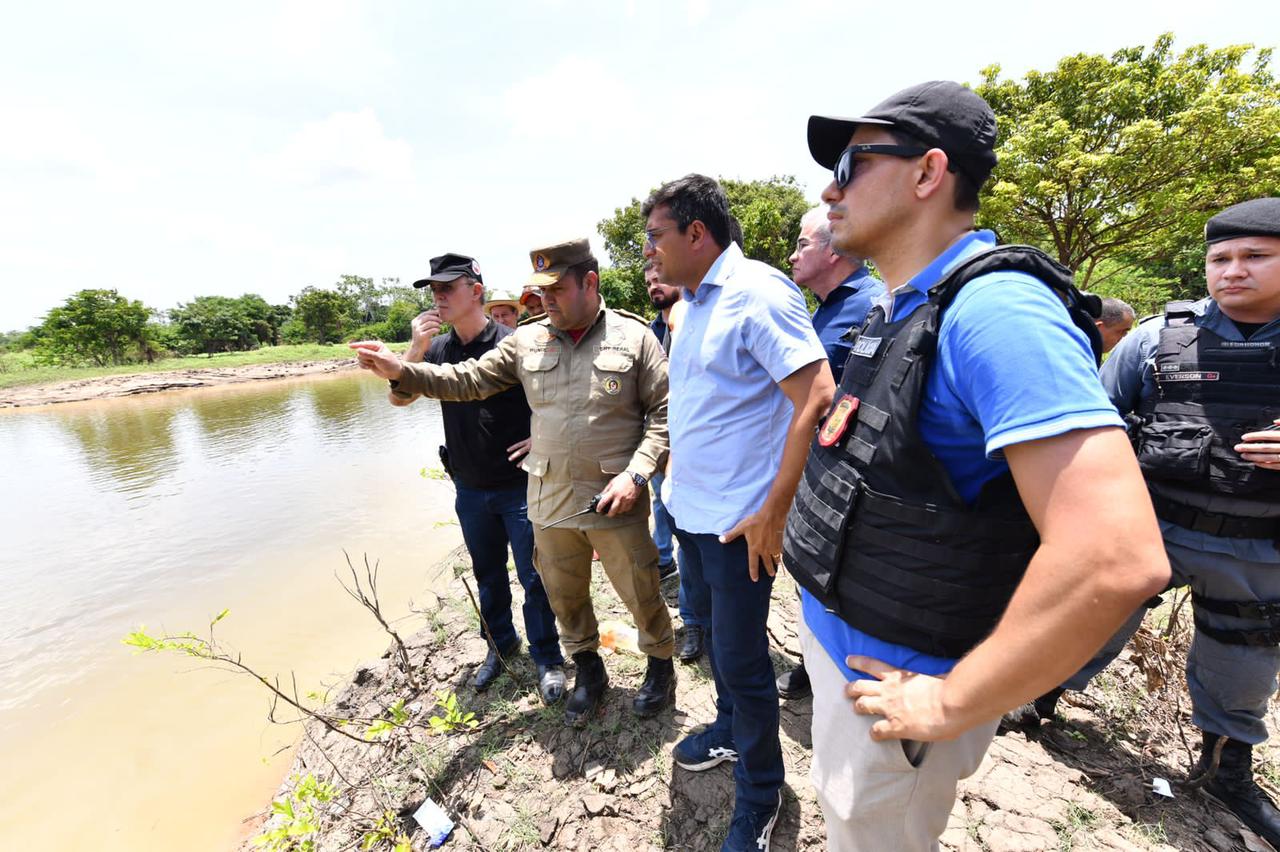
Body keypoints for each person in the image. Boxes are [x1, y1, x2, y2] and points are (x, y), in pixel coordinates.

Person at [783, 81, 1169, 851]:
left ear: (928, 174)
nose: (831, 187)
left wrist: (953, 701)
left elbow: (1114, 558)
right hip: (851, 645)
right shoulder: (903, 301)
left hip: (902, 688)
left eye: (854, 162)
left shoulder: (997, 312)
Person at [351, 238, 676, 726]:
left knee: (639, 589)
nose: (546, 301)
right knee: (563, 594)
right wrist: (403, 370)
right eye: (540, 292)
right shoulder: (527, 340)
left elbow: (665, 415)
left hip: (615, 498)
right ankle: (588, 668)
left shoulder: (634, 337)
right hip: (548, 499)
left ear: (590, 282)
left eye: (557, 289)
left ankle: (659, 667)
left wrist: (636, 474)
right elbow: (465, 380)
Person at [1040, 197, 1280, 845]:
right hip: (1146, 530)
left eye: (1255, 256)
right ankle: (1033, 706)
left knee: (1242, 668)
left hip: (1255, 552)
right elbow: (1093, 419)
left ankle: (1227, 773)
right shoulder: (1156, 337)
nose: (1233, 271)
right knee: (1084, 619)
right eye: (1220, 258)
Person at [643, 174, 835, 852]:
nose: (649, 254)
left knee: (744, 659)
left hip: (737, 525)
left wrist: (774, 512)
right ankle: (729, 730)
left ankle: (759, 798)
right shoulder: (691, 304)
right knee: (722, 653)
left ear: (698, 233)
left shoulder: (757, 292)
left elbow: (817, 396)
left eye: (657, 238)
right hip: (692, 515)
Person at [396, 254, 565, 702]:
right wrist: (414, 347)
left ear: (477, 291)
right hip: (469, 487)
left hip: (520, 485)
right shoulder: (437, 350)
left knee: (535, 576)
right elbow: (399, 399)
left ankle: (547, 657)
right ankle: (501, 645)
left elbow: (558, 397)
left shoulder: (514, 343)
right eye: (434, 290)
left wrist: (540, 435)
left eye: (448, 288)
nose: (438, 297)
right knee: (487, 574)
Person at [775, 206, 887, 701]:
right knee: (809, 569)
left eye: (802, 244)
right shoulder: (817, 309)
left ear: (834, 250)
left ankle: (835, 671)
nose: (793, 255)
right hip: (814, 463)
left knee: (837, 575)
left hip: (853, 473)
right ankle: (814, 661)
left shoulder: (873, 306)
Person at [644, 260, 703, 662]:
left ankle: (700, 620)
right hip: (659, 448)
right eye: (648, 281)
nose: (654, 285)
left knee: (695, 542)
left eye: (660, 277)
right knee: (664, 515)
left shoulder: (698, 323)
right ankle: (692, 620)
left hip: (695, 453)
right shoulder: (648, 333)